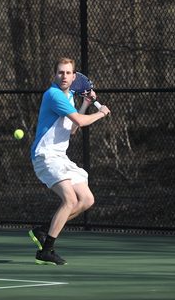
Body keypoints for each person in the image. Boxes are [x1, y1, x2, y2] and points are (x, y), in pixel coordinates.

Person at [28, 57, 111, 265]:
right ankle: (46, 250)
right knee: (70, 200)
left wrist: (85, 103)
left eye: (67, 73)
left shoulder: (70, 97)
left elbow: (73, 129)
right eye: (60, 73)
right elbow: (80, 121)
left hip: (60, 157)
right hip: (45, 156)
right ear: (55, 75)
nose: (64, 76)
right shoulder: (54, 95)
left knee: (87, 199)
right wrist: (100, 113)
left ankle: (43, 230)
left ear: (74, 77)